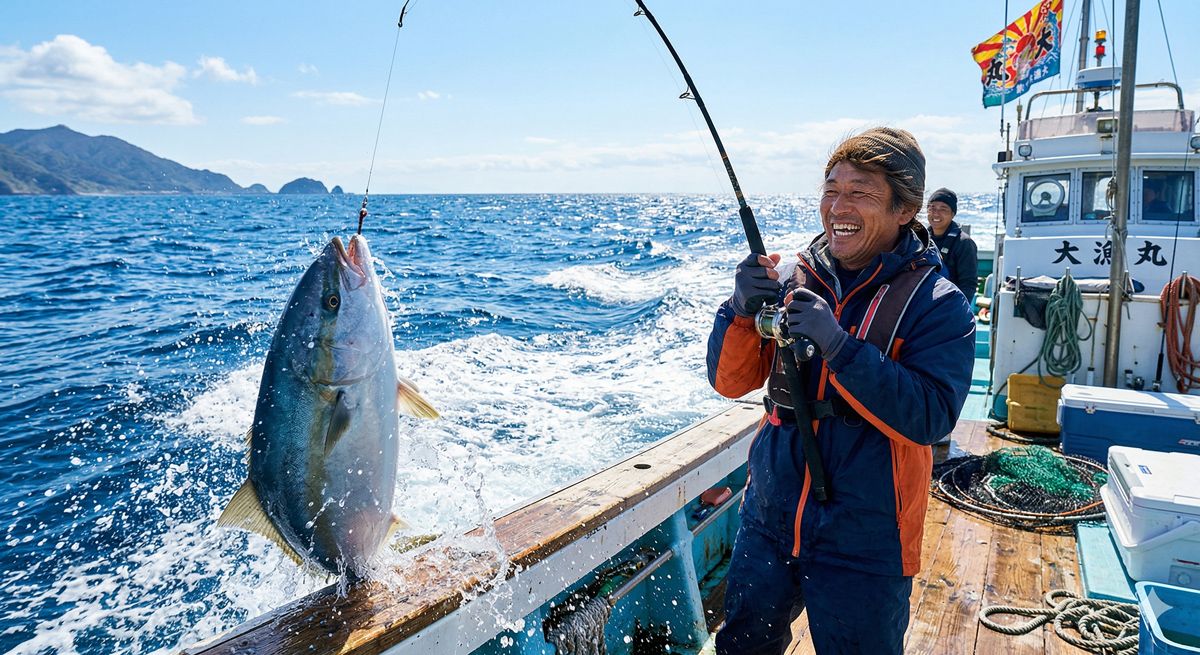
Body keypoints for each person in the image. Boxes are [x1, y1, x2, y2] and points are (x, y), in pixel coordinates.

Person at [706, 127, 975, 654]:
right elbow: (729, 381)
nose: (838, 205)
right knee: (741, 646)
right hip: (769, 514)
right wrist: (738, 311)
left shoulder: (940, 304)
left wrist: (838, 345)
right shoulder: (791, 279)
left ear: (905, 209)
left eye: (861, 192)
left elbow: (931, 417)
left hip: (868, 536)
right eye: (831, 188)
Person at [925, 187, 979, 302]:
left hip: (949, 305)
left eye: (943, 209)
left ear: (953, 214)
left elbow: (968, 285)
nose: (936, 213)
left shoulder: (964, 243)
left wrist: (955, 314)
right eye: (932, 207)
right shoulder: (921, 240)